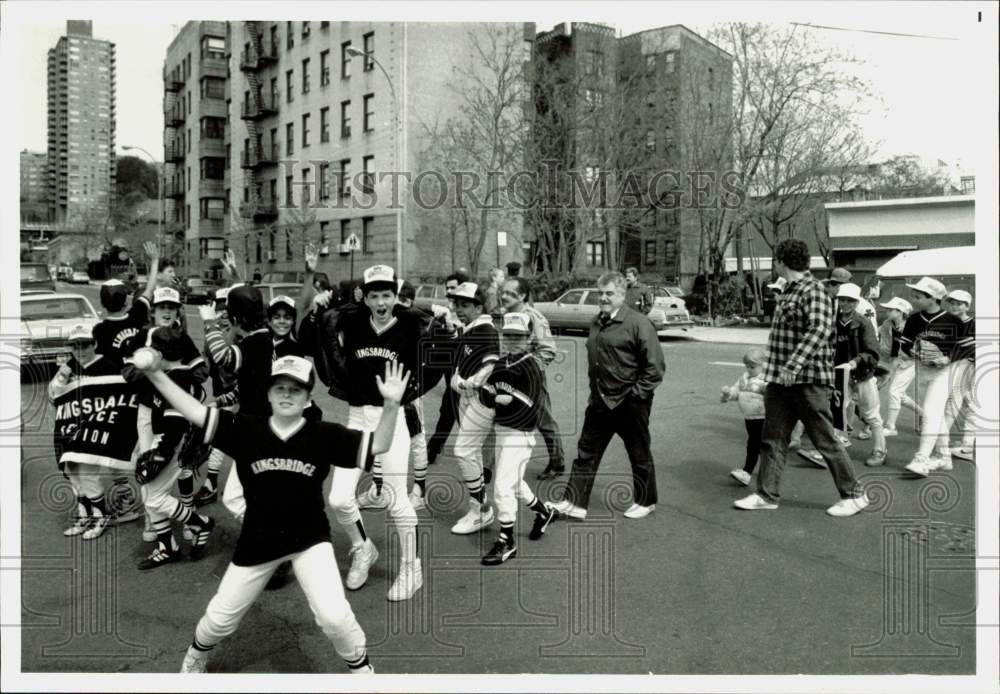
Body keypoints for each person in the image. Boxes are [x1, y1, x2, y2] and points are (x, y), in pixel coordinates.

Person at [131, 353, 407, 674]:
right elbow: (194, 411)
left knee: (335, 616)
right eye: (280, 388)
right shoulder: (245, 428)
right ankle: (196, 655)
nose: (287, 395)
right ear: (268, 393)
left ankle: (362, 672)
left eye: (296, 389)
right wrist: (155, 373)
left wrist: (390, 405)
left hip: (309, 539)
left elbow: (380, 444)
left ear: (307, 397)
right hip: (257, 541)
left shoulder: (324, 434)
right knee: (219, 620)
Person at [733, 239, 869, 517]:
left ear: (781, 261)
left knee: (824, 439)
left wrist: (793, 365)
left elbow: (819, 329)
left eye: (775, 260)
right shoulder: (790, 290)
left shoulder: (813, 290)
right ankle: (766, 495)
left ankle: (854, 494)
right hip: (782, 381)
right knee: (773, 439)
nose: (774, 264)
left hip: (807, 380)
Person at [328, 265, 427, 601]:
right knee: (339, 498)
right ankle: (363, 548)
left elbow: (439, 359)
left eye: (387, 294)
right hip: (357, 417)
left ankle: (412, 568)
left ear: (396, 297)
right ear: (365, 298)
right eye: (374, 295)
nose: (381, 302)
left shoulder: (412, 323)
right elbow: (321, 332)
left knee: (398, 499)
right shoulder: (354, 321)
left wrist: (411, 393)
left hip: (392, 416)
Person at [551, 271, 665, 521]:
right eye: (600, 293)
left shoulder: (638, 323)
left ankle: (646, 501)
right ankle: (575, 503)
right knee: (586, 452)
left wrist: (635, 396)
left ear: (622, 295)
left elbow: (655, 368)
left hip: (630, 402)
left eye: (609, 293)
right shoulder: (597, 321)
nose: (603, 298)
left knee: (638, 452)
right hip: (600, 401)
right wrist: (596, 395)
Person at [122, 287, 214, 568]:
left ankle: (189, 519)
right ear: (153, 310)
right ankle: (167, 542)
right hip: (149, 410)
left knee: (161, 472)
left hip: (174, 413)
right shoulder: (143, 336)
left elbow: (201, 372)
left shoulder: (181, 338)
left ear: (177, 311)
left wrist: (172, 371)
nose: (166, 311)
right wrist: (156, 371)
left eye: (171, 307)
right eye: (161, 306)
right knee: (147, 474)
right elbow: (128, 373)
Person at [479, 312, 558, 564]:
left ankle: (506, 541)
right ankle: (543, 512)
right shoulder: (501, 364)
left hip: (520, 434)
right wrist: (495, 398)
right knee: (513, 482)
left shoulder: (531, 366)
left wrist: (504, 402)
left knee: (502, 487)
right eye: (508, 335)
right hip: (503, 431)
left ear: (528, 338)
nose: (512, 340)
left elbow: (533, 407)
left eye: (518, 336)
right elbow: (485, 393)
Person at [50, 324, 140, 540]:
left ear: (94, 344)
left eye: (85, 344)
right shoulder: (69, 366)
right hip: (73, 428)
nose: (80, 350)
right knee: (72, 471)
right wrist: (62, 377)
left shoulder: (108, 365)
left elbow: (125, 396)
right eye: (75, 345)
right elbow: (54, 396)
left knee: (88, 471)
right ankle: (84, 515)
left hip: (99, 427)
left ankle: (100, 516)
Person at [446, 281, 501, 534]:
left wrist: (467, 384)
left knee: (463, 450)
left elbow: (490, 366)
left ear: (479, 306)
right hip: (470, 398)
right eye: (457, 304)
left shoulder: (486, 329)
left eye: (465, 304)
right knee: (473, 453)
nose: (459, 309)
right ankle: (481, 507)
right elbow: (463, 361)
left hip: (481, 398)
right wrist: (457, 375)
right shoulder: (469, 328)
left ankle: (481, 508)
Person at [498, 277, 565, 480]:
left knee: (543, 419)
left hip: (529, 376)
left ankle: (557, 462)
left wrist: (529, 369)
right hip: (509, 373)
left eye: (510, 293)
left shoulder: (534, 317)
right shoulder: (508, 314)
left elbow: (548, 350)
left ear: (523, 295)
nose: (504, 296)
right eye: (503, 292)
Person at [900, 277, 966, 476]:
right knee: (934, 415)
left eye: (918, 296)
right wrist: (913, 352)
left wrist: (947, 358)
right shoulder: (913, 319)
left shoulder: (953, 320)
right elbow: (904, 344)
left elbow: (963, 348)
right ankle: (944, 457)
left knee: (930, 412)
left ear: (933, 298)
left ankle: (921, 458)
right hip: (923, 369)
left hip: (945, 372)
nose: (914, 299)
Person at [834, 283, 887, 467]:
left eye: (850, 300)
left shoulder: (863, 323)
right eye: (842, 299)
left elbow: (873, 352)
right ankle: (836, 448)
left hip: (862, 374)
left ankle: (880, 450)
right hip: (840, 375)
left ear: (857, 302)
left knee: (871, 414)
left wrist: (855, 362)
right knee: (837, 412)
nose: (845, 304)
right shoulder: (833, 321)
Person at [94, 242, 160, 366]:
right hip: (139, 378)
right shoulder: (137, 314)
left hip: (115, 381)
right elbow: (150, 289)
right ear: (125, 301)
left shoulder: (99, 330)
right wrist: (155, 260)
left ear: (102, 304)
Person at [426, 273, 466, 465]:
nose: (449, 291)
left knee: (456, 407)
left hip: (462, 365)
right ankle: (434, 447)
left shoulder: (465, 310)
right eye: (447, 288)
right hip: (445, 362)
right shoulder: (445, 309)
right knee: (449, 407)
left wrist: (451, 326)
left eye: (453, 288)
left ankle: (434, 448)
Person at [720, 347, 767, 486]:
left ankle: (747, 471)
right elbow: (737, 391)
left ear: (762, 365)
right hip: (750, 417)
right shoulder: (744, 377)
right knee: (758, 444)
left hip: (763, 416)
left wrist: (762, 390)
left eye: (752, 367)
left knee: (755, 444)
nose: (749, 369)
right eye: (747, 366)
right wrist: (729, 394)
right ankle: (766, 470)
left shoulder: (765, 379)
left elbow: (772, 395)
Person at [878, 297, 921, 436]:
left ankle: (891, 427)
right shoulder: (887, 324)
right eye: (887, 309)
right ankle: (924, 415)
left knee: (894, 392)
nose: (887, 312)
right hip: (895, 360)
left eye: (891, 310)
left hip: (909, 362)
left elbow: (916, 349)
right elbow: (885, 345)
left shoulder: (912, 326)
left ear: (901, 312)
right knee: (899, 395)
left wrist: (895, 365)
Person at [942, 289, 976, 462]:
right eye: (952, 303)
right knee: (953, 403)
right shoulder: (950, 323)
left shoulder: (974, 323)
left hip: (973, 366)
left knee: (971, 405)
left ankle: (967, 446)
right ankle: (943, 441)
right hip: (958, 366)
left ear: (967, 306)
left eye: (959, 303)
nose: (954, 306)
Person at [823, 267, 877, 335]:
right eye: (833, 283)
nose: (837, 287)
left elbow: (872, 334)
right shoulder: (831, 301)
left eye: (842, 284)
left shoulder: (864, 307)